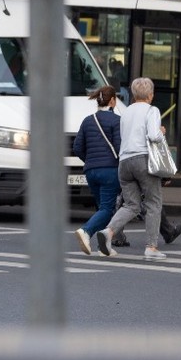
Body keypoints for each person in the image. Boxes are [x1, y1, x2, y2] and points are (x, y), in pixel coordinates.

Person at [97, 77, 169, 261]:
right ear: (151, 95)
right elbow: (153, 136)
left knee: (131, 205)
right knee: (153, 203)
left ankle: (108, 232)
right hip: (143, 160)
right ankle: (151, 247)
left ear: (134, 94)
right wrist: (161, 132)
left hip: (125, 162)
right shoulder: (152, 110)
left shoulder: (126, 112)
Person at [71, 85, 121, 255]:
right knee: (107, 208)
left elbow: (77, 147)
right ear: (113, 100)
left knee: (103, 208)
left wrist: (90, 160)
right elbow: (119, 147)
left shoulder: (87, 120)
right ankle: (86, 231)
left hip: (91, 171)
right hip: (110, 171)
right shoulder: (116, 121)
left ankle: (104, 247)